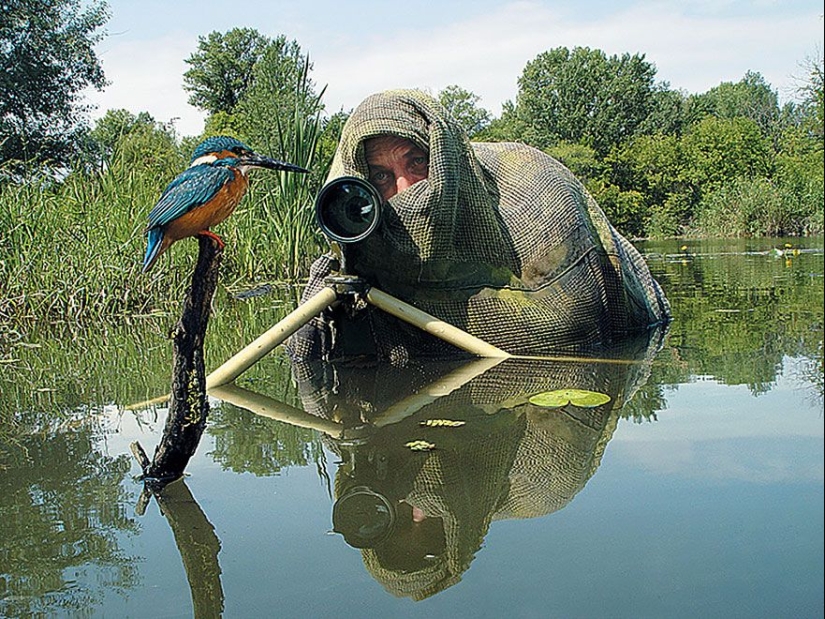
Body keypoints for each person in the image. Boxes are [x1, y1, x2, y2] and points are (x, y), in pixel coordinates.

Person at [288, 89, 670, 361]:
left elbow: (577, 326)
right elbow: (310, 365)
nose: (405, 190)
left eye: (417, 163)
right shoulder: (365, 247)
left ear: (445, 160)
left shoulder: (536, 199)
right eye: (382, 177)